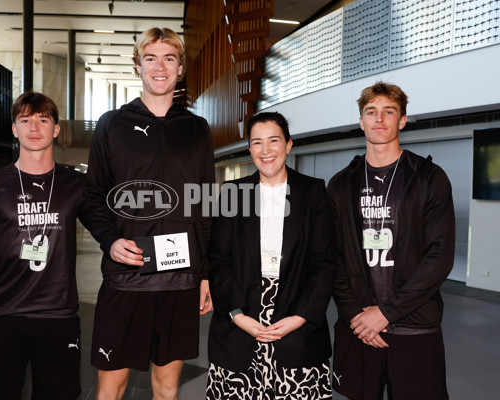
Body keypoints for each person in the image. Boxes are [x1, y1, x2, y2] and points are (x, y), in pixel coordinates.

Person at [82, 27, 215, 400]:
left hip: (180, 281)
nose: (160, 67)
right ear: (137, 65)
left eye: (169, 58)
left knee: (167, 388)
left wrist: (206, 274)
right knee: (111, 389)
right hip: (126, 280)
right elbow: (92, 196)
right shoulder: (111, 124)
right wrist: (110, 242)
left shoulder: (197, 129)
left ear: (180, 68)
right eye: (151, 58)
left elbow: (205, 205)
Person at [327, 82, 455, 400]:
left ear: (402, 120)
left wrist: (385, 312)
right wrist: (356, 315)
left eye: (389, 111)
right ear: (361, 121)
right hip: (358, 329)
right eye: (371, 112)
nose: (379, 119)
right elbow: (331, 257)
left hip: (415, 328)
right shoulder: (341, 185)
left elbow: (439, 256)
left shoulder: (428, 178)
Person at [0, 91, 86, 399]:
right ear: (14, 129)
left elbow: (110, 225)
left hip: (58, 316)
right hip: (3, 315)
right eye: (26, 120)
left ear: (56, 130)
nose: (34, 128)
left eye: (43, 120)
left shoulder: (75, 184)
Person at [206, 112, 336, 399]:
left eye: (274, 140)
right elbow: (218, 261)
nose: (266, 151)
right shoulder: (233, 192)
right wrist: (237, 315)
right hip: (240, 322)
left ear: (288, 145)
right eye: (257, 142)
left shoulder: (313, 192)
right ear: (250, 149)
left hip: (297, 323)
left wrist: (301, 317)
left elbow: (324, 263)